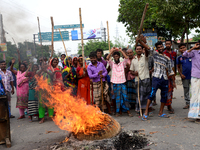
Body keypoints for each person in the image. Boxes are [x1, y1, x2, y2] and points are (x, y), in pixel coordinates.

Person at [141, 41, 175, 120]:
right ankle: (146, 113)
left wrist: (173, 82)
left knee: (164, 96)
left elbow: (170, 71)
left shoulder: (167, 59)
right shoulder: (155, 54)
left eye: (161, 47)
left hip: (165, 79)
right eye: (158, 47)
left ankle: (161, 112)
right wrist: (140, 41)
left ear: (163, 47)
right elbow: (147, 48)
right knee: (152, 94)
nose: (160, 48)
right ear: (157, 48)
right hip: (156, 77)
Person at [107, 48, 132, 117]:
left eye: (117, 56)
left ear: (119, 57)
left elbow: (126, 57)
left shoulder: (122, 63)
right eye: (115, 56)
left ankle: (128, 111)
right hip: (115, 83)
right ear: (113, 57)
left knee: (125, 97)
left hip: (122, 82)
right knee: (117, 98)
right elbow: (107, 58)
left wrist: (121, 51)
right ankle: (117, 112)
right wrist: (111, 51)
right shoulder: (112, 64)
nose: (116, 57)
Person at [130, 45, 151, 114]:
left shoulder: (145, 57)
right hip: (137, 79)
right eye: (137, 49)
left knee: (146, 94)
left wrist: (142, 42)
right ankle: (140, 109)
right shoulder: (133, 60)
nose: (138, 50)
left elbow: (147, 52)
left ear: (142, 50)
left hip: (145, 78)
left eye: (140, 49)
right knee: (138, 95)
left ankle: (147, 109)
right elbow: (131, 71)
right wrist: (134, 73)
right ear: (135, 51)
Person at [182, 41, 200, 123]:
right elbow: (184, 54)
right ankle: (195, 115)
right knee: (195, 96)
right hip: (195, 76)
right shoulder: (194, 52)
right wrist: (193, 48)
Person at [177, 43, 192, 109]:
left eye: (184, 47)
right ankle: (188, 103)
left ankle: (195, 103)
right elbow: (178, 67)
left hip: (193, 75)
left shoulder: (191, 55)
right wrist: (181, 74)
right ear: (179, 49)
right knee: (186, 90)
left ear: (186, 48)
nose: (183, 49)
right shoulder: (179, 58)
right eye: (181, 48)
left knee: (194, 90)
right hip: (185, 76)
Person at [164, 39, 177, 114]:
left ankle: (169, 104)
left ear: (171, 44)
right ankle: (168, 105)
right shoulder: (163, 53)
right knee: (166, 90)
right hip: (165, 74)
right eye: (166, 44)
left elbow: (174, 64)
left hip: (172, 74)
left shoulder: (174, 53)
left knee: (171, 90)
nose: (167, 45)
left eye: (169, 44)